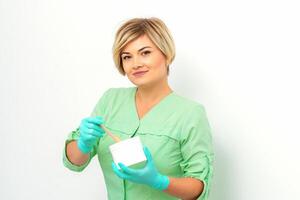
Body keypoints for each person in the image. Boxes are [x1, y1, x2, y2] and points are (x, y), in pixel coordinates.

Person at [63, 17, 214, 200]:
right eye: (127, 56)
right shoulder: (111, 100)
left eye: (145, 53)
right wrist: (83, 144)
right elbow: (74, 162)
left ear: (166, 54)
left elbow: (198, 186)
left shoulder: (190, 114)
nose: (135, 64)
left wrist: (159, 181)